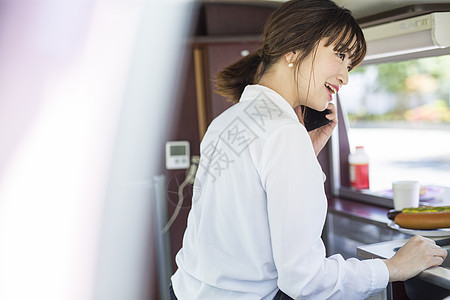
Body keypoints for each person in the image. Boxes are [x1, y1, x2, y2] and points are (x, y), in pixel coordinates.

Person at [170, 0, 448, 299]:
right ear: (294, 49)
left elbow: (244, 209)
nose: (345, 76)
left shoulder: (229, 120)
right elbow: (305, 280)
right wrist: (391, 267)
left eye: (349, 64)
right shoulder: (283, 133)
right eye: (340, 55)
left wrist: (306, 154)